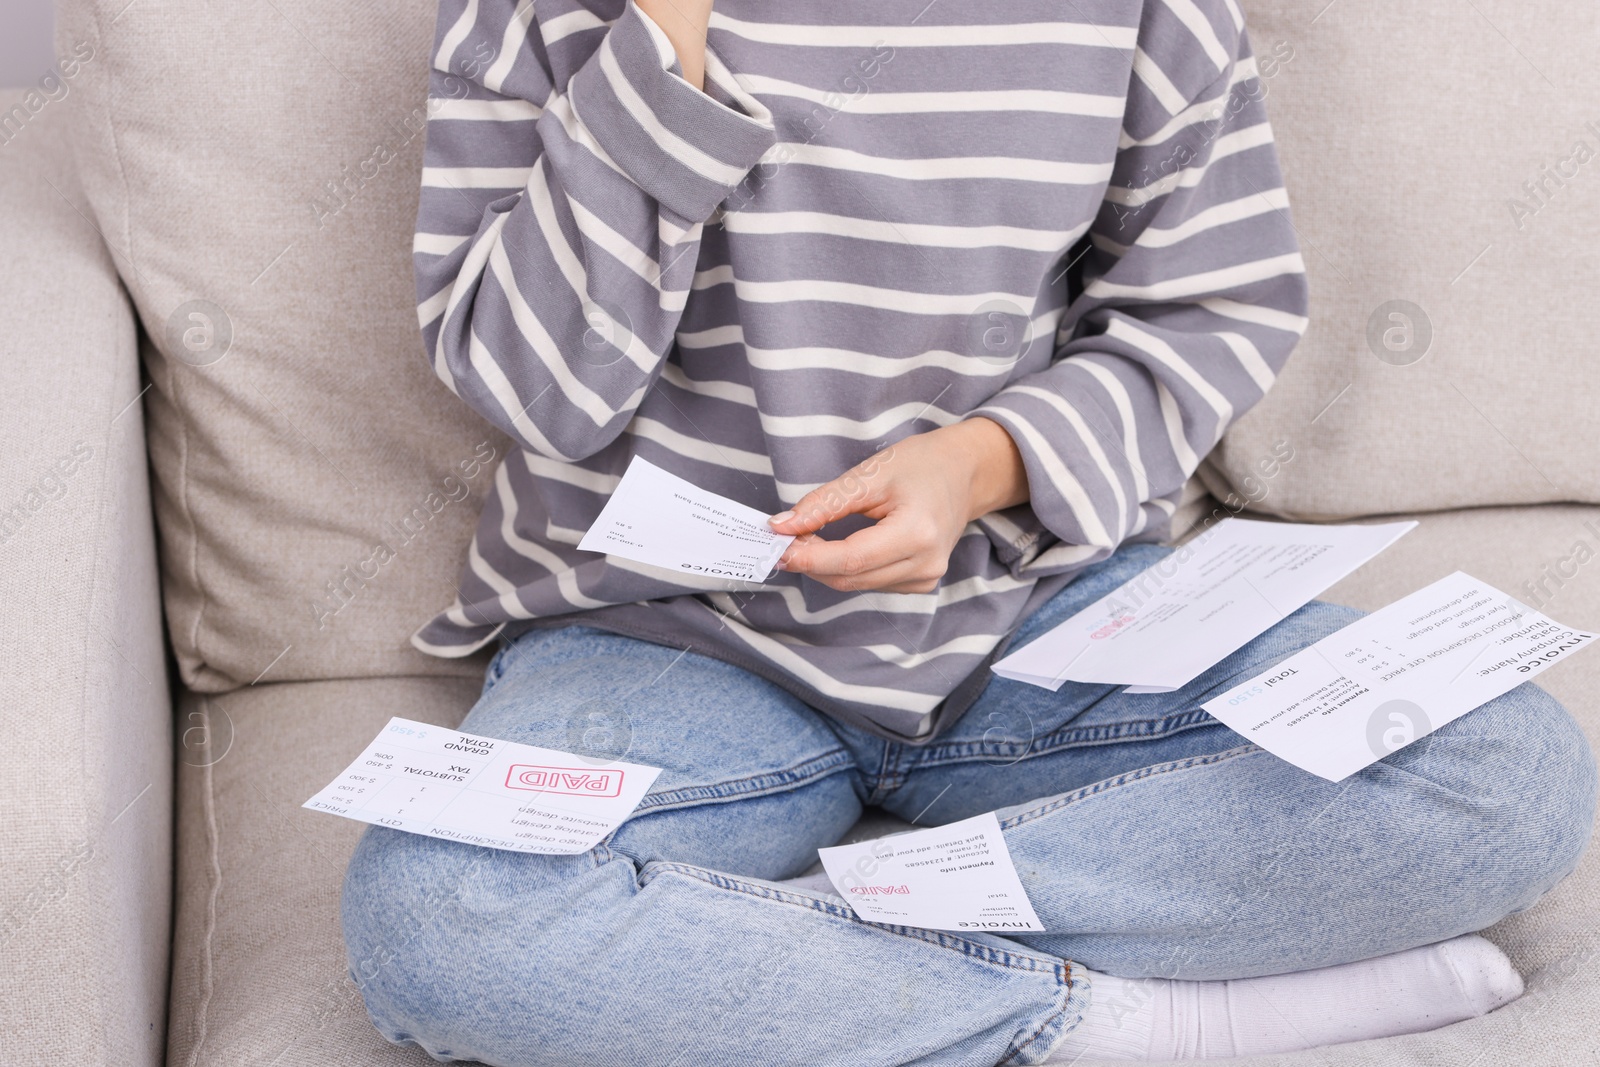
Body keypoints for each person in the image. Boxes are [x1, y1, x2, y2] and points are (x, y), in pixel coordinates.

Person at [340, 0, 1598, 1062]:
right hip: (656, 639)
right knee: (447, 907)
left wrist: (980, 466)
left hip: (1034, 614)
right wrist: (659, 52)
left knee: (1502, 764)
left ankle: (738, 945)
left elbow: (1209, 313)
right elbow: (539, 393)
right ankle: (1105, 1021)